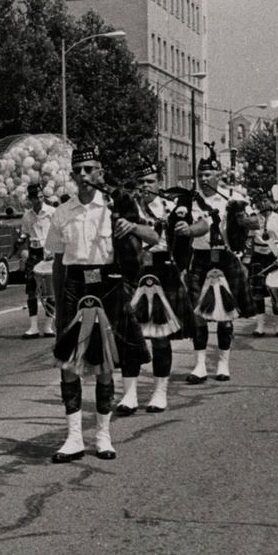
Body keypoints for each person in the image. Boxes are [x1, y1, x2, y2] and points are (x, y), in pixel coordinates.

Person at [46, 146, 155, 462]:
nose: (83, 176)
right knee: (69, 364)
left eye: (89, 169)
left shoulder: (115, 206)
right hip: (74, 285)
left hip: (108, 283)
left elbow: (152, 237)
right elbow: (57, 263)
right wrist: (56, 306)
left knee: (105, 363)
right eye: (78, 171)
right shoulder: (62, 213)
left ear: (100, 173)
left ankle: (104, 437)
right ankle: (74, 438)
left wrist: (131, 226)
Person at [117, 165, 193, 415]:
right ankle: (130, 394)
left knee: (161, 337)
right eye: (141, 181)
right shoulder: (128, 207)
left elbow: (185, 238)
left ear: (159, 182)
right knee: (130, 336)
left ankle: (160, 392)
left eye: (150, 181)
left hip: (163, 270)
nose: (145, 186)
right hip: (134, 271)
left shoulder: (171, 207)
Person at [182, 153, 249, 383]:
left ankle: (223, 363)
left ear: (218, 175)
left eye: (208, 173)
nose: (203, 178)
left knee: (225, 314)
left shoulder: (233, 196)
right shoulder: (190, 200)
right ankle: (200, 365)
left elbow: (253, 223)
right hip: (200, 257)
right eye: (200, 174)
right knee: (197, 313)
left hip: (226, 257)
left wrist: (240, 215)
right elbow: (194, 227)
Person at [18, 184, 57, 337]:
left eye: (41, 197)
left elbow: (59, 232)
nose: (39, 200)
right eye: (35, 198)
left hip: (49, 254)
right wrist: (20, 241)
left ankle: (48, 326)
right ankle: (33, 327)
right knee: (31, 290)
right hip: (34, 254)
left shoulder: (52, 212)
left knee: (51, 291)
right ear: (31, 199)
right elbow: (25, 234)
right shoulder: (27, 216)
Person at [249, 192, 278, 337]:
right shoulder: (254, 219)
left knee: (276, 292)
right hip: (258, 255)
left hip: (274, 255)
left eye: (265, 200)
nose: (263, 203)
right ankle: (260, 327)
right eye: (260, 201)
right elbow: (251, 239)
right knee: (258, 292)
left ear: (271, 202)